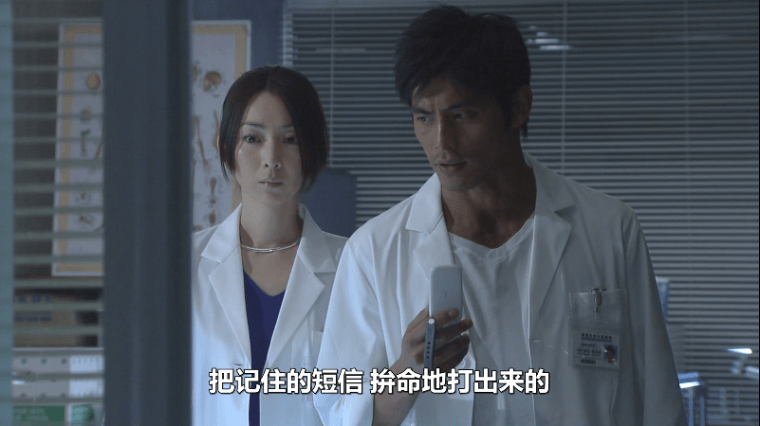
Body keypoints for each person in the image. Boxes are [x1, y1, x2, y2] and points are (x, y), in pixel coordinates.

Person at [314, 6, 686, 426]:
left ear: (518, 106)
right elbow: (338, 414)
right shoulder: (374, 252)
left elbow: (659, 400)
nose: (441, 142)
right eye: (424, 117)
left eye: (462, 115)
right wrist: (408, 373)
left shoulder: (609, 229)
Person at [191, 65, 347, 425]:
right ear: (226, 148)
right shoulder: (184, 264)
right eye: (252, 138)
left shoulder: (352, 265)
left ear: (312, 150)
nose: (272, 158)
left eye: (291, 140)